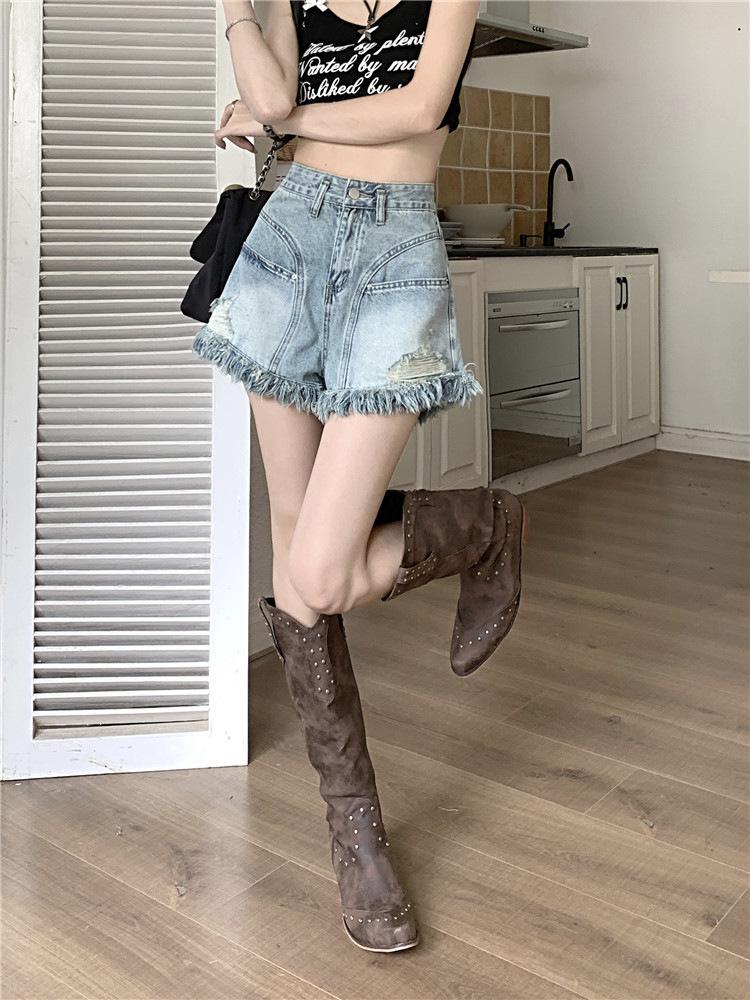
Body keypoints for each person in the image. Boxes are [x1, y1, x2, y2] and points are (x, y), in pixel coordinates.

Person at [193, 0, 526, 953]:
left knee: (325, 571)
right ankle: (356, 830)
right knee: (297, 568)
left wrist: (286, 119)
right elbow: (266, 94)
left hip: (394, 249)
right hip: (285, 244)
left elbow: (418, 107)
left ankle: (483, 526)